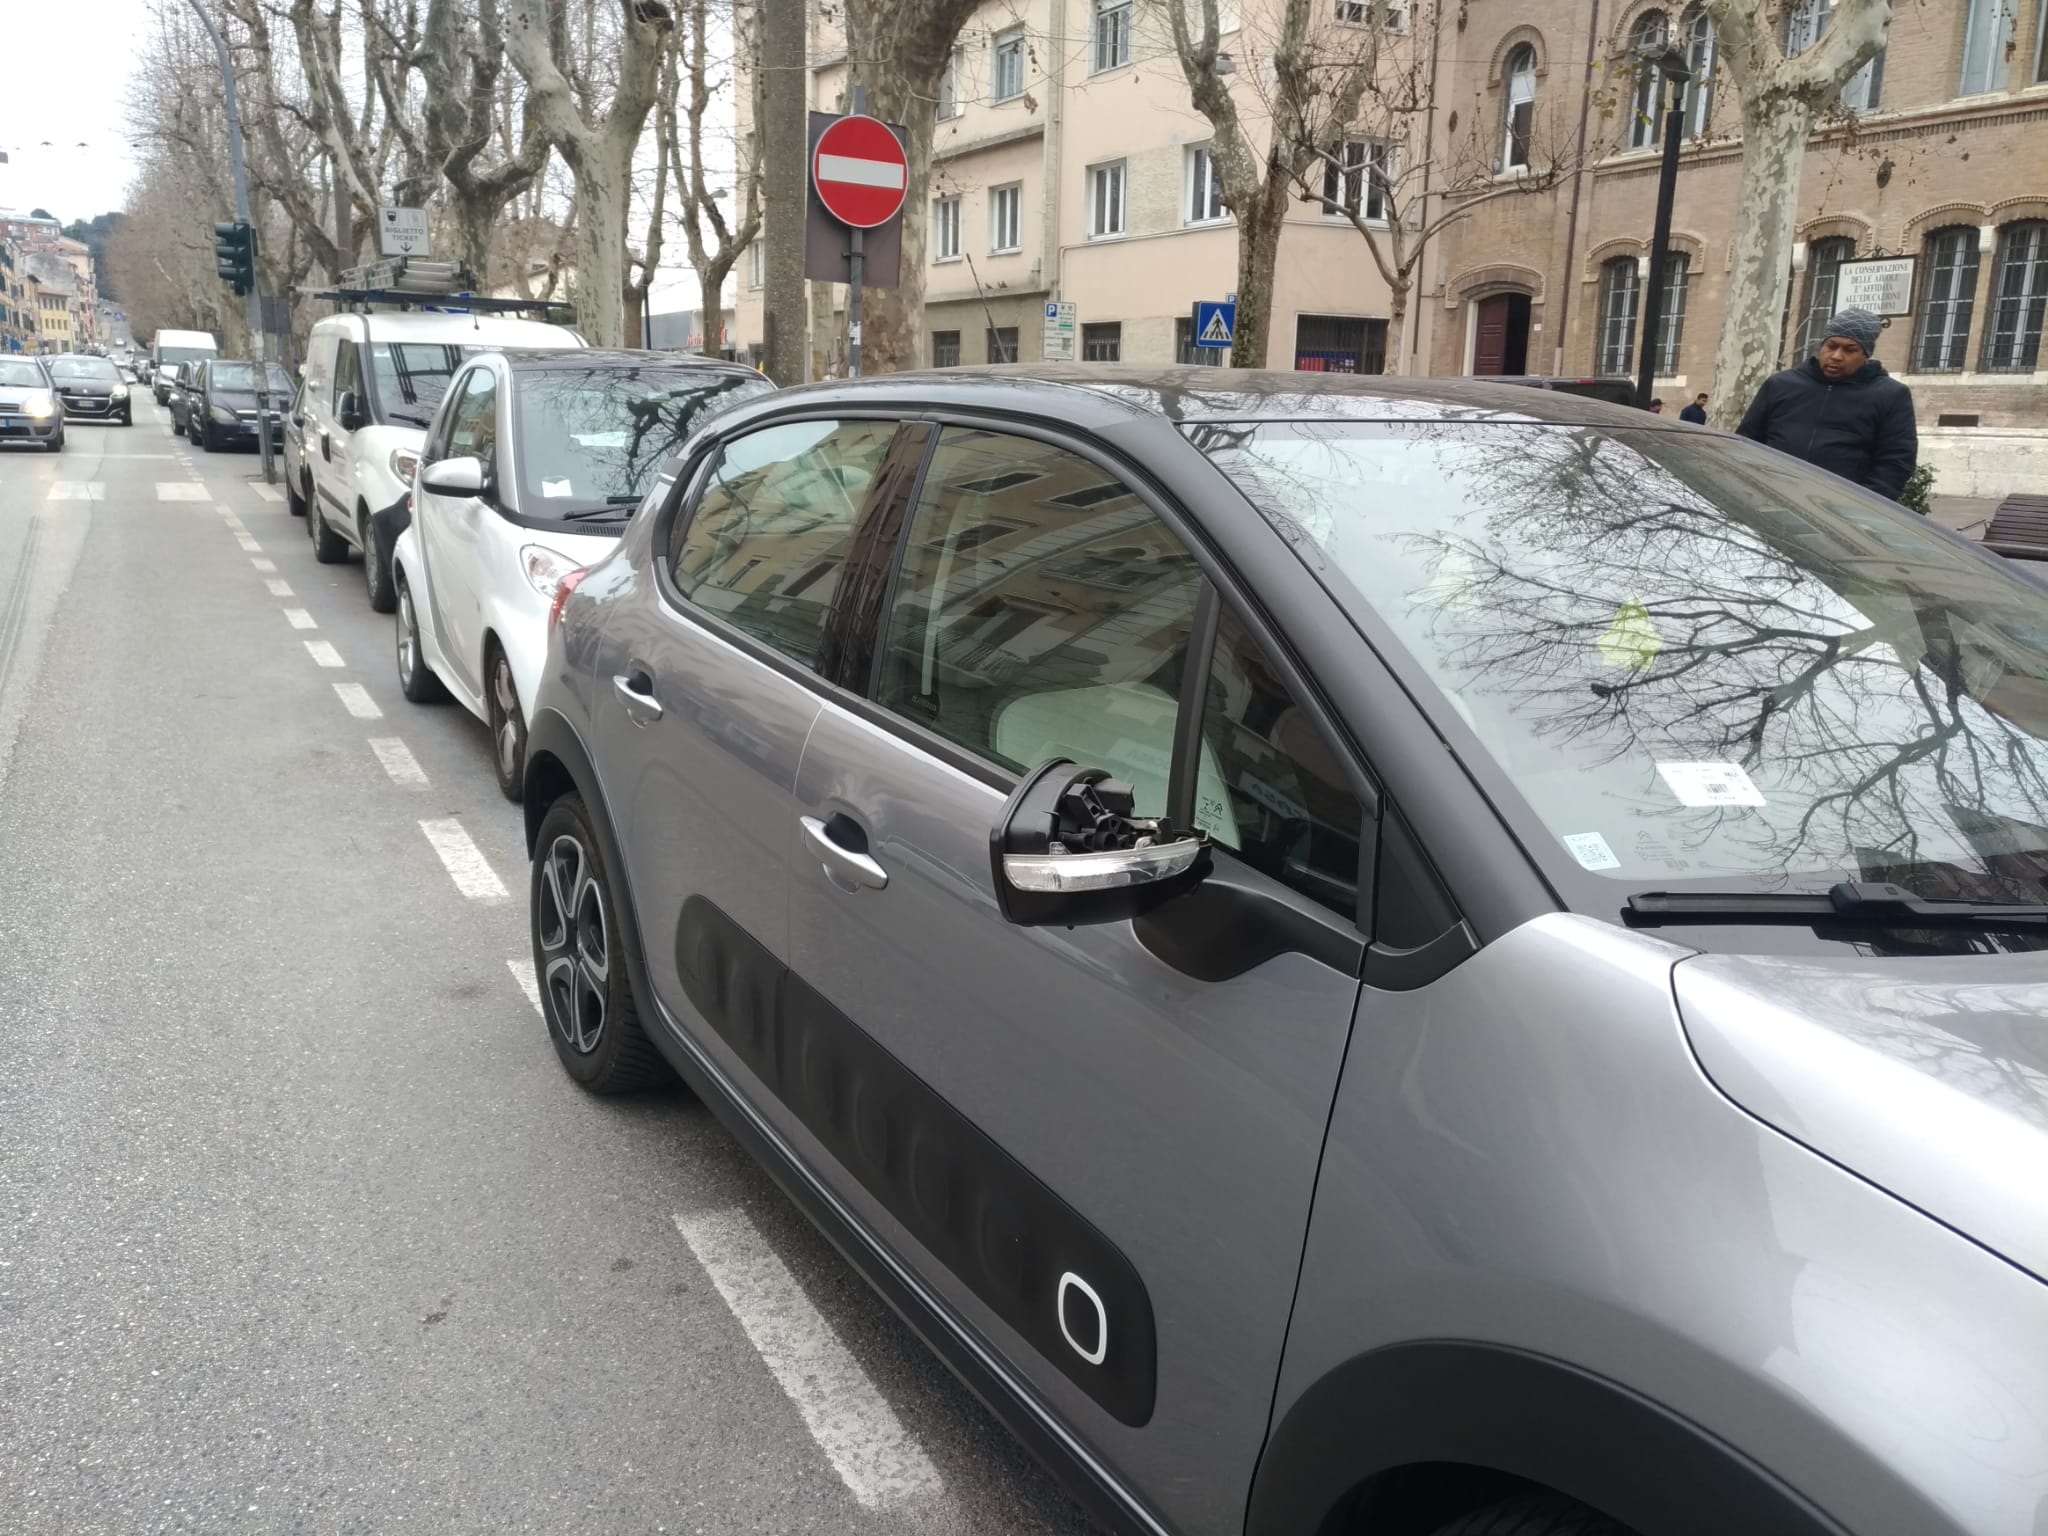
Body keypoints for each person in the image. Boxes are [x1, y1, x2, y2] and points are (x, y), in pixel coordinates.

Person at [1736, 306, 1918, 501]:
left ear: (1866, 354)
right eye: (1831, 346)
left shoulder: (1890, 395)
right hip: (1767, 499)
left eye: (1850, 350)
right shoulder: (1780, 384)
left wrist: (1861, 505)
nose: (1836, 356)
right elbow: (1746, 442)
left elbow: (1896, 462)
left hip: (1838, 509)